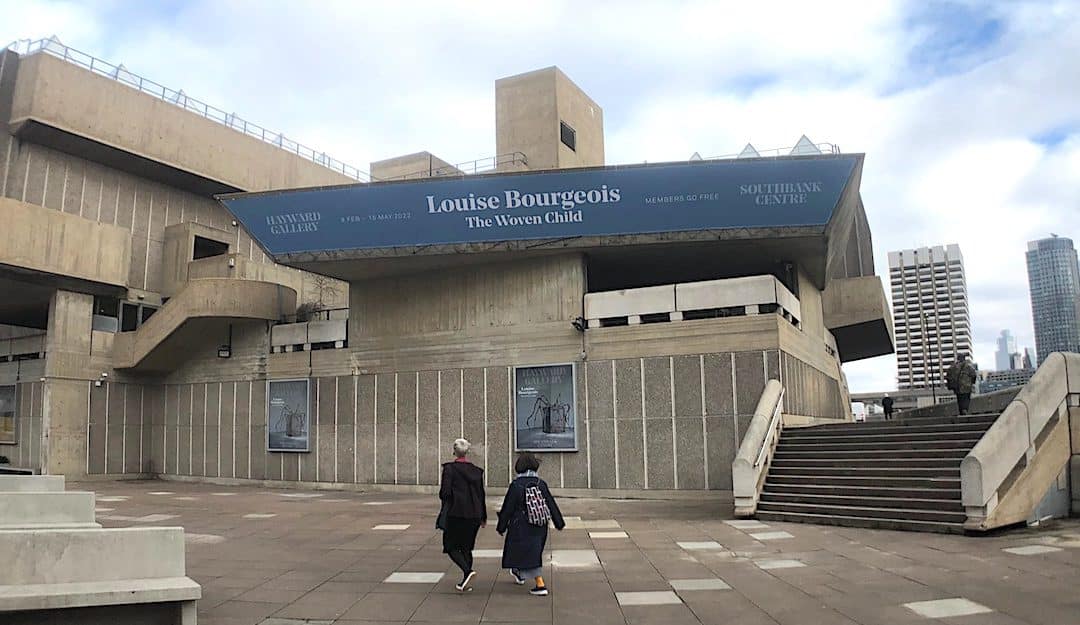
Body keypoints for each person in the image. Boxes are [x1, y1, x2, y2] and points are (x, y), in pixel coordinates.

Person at [497, 453, 565, 596]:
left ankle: (540, 584)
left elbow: (507, 508)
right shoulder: (541, 484)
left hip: (521, 525)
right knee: (533, 551)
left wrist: (501, 526)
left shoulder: (516, 485)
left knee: (524, 551)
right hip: (540, 525)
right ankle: (519, 572)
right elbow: (551, 504)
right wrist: (558, 522)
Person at [439, 438, 486, 592]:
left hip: (456, 512)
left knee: (450, 546)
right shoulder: (476, 471)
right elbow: (481, 494)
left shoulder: (450, 469)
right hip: (474, 514)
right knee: (467, 547)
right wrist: (483, 516)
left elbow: (444, 493)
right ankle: (466, 580)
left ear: (454, 451)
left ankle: (467, 572)